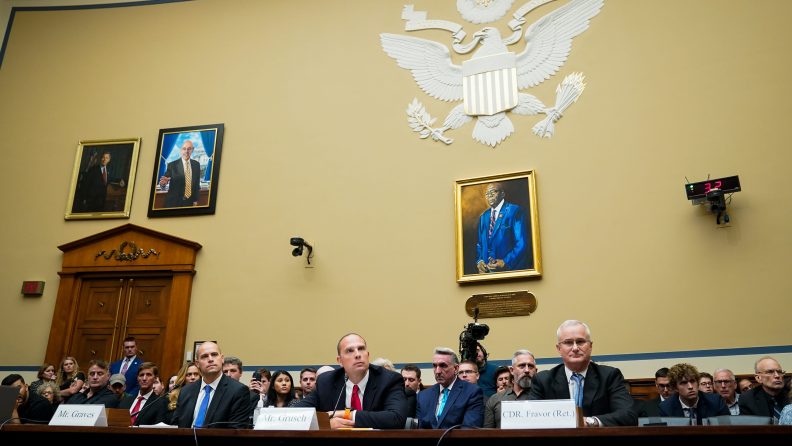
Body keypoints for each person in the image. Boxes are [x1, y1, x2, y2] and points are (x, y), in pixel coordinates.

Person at [529, 320, 637, 426]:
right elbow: (529, 418)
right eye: (568, 342)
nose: (575, 348)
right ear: (559, 349)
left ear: (590, 346)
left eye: (580, 342)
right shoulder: (543, 380)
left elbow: (628, 415)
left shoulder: (609, 376)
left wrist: (589, 422)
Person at [296, 333, 407, 429]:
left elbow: (396, 418)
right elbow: (294, 416)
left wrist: (346, 414)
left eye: (361, 349)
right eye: (349, 351)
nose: (358, 354)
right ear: (340, 361)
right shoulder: (327, 382)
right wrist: (325, 424)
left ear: (367, 355)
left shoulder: (389, 379)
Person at [171, 342, 252, 429]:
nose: (210, 359)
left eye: (214, 354)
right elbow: (176, 425)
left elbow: (236, 430)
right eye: (204, 356)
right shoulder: (186, 391)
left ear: (222, 359)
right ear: (197, 363)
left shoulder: (238, 391)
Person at [415, 347, 484, 429]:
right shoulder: (423, 395)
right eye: (434, 366)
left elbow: (469, 430)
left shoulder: (472, 392)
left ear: (456, 369)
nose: (437, 371)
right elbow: (419, 430)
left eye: (443, 366)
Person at [475, 182, 529, 274]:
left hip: (509, 272)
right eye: (487, 193)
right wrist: (479, 261)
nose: (489, 195)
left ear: (502, 194)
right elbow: (480, 244)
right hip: (487, 274)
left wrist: (505, 262)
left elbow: (521, 243)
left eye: (493, 191)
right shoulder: (483, 216)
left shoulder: (515, 211)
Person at [658, 363, 729, 424]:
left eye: (692, 381)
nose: (690, 386)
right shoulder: (666, 407)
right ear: (675, 388)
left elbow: (728, 429)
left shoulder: (715, 401)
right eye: (683, 383)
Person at [484, 350, 537, 428]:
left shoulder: (543, 397)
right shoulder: (495, 399)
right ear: (512, 370)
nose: (526, 370)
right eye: (522, 366)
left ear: (535, 371)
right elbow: (486, 433)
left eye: (530, 366)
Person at [159, 140, 201, 208]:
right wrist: (163, 182)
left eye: (189, 148)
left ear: (192, 149)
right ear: (181, 150)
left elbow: (196, 184)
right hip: (173, 202)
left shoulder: (196, 164)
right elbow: (165, 179)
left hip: (189, 202)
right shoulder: (172, 165)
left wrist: (195, 200)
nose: (186, 151)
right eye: (184, 149)